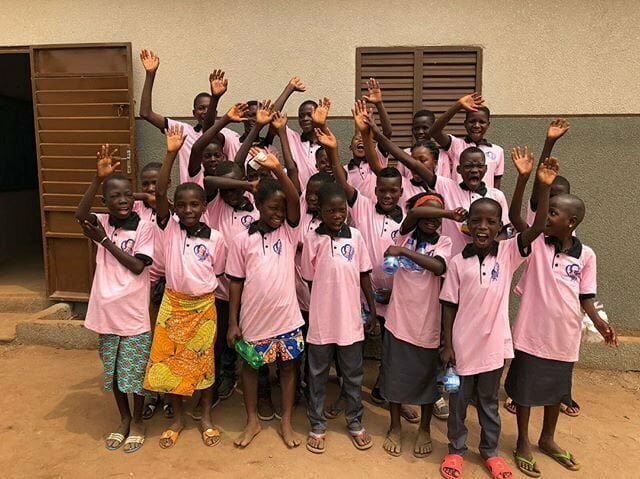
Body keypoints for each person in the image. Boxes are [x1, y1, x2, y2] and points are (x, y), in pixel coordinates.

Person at [438, 152, 560, 479]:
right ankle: (455, 450)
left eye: (491, 222)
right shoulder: (456, 262)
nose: (482, 227)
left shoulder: (507, 254)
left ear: (499, 226)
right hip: (461, 349)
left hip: (492, 349)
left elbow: (535, 228)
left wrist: (535, 184)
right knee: (458, 404)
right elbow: (449, 304)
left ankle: (490, 452)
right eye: (476, 221)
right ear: (466, 225)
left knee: (489, 405)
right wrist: (447, 345)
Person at [505, 147, 618, 477]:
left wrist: (598, 322)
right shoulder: (537, 244)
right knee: (525, 391)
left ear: (571, 222)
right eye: (547, 211)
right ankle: (523, 441)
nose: (547, 216)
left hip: (565, 334)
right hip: (530, 332)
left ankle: (548, 439)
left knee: (556, 391)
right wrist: (531, 181)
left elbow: (586, 294)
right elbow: (518, 218)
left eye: (554, 213)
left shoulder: (587, 255)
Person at [316, 123, 419, 423]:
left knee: (394, 349)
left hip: (398, 295)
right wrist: (335, 152)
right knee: (352, 350)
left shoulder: (408, 218)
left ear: (402, 192)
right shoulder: (361, 207)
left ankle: (388, 393)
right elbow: (341, 181)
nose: (387, 196)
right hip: (364, 295)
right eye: (382, 191)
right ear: (374, 191)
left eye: (393, 191)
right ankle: (348, 397)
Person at [143, 125, 227, 449]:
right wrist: (170, 153)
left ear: (204, 207)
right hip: (172, 305)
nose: (189, 210)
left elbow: (216, 274)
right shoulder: (171, 229)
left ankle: (205, 417)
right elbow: (161, 190)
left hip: (203, 307)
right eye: (183, 205)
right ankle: (178, 418)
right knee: (169, 365)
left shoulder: (216, 239)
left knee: (204, 365)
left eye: (195, 205)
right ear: (174, 209)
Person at [75, 145, 155, 454]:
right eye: (113, 197)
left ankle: (138, 421)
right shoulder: (102, 221)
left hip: (134, 314)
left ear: (133, 197)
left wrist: (104, 241)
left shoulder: (145, 227)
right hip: (106, 311)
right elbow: (80, 215)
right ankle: (122, 419)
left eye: (126, 195)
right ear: (105, 201)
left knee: (133, 374)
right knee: (114, 371)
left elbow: (137, 266)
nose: (121, 201)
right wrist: (97, 179)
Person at [226, 150, 303, 449]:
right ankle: (252, 420)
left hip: (287, 316)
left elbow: (294, 199)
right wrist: (233, 322)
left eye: (282, 210)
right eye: (272, 208)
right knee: (250, 368)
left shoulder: (289, 232)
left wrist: (277, 169)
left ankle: (285, 421)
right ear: (258, 206)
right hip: (254, 318)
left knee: (287, 367)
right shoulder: (242, 239)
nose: (279, 214)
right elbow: (235, 282)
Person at [380, 192, 460, 458]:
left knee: (428, 381)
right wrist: (444, 212)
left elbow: (438, 267)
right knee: (393, 378)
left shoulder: (445, 242)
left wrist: (404, 253)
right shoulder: (405, 235)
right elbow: (413, 215)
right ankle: (395, 427)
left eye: (438, 216)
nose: (433, 220)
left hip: (428, 325)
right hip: (398, 321)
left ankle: (424, 429)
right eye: (430, 214)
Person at [301, 182, 378, 454]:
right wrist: (322, 307)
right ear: (319, 211)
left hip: (350, 322)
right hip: (322, 322)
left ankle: (355, 422)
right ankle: (317, 424)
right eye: (330, 211)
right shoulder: (312, 238)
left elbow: (363, 275)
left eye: (341, 210)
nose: (337, 216)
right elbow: (310, 279)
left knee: (353, 376)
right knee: (318, 374)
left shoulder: (355, 237)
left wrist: (373, 312)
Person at [139, 50, 222, 184]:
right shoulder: (183, 131)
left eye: (209, 108)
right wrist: (150, 75)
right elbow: (146, 113)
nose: (206, 112)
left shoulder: (225, 136)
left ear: (216, 113)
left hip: (216, 199)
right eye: (201, 108)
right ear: (193, 113)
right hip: (189, 196)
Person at [428, 93, 504, 189]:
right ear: (465, 124)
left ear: (488, 125)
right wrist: (458, 106)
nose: (476, 125)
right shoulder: (455, 145)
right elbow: (434, 132)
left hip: (484, 202)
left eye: (482, 122)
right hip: (459, 201)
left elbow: (496, 186)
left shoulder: (498, 151)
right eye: (472, 121)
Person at [396, 109, 451, 179]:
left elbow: (445, 182)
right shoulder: (405, 154)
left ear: (433, 128)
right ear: (412, 130)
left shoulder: (443, 156)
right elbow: (399, 181)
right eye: (416, 128)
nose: (420, 132)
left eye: (425, 128)